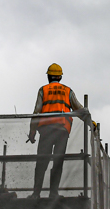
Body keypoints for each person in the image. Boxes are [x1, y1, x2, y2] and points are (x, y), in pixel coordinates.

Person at [27, 63, 84, 199]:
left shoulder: (43, 90)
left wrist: (32, 131)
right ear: (60, 77)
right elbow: (80, 110)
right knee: (58, 162)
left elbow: (36, 112)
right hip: (62, 131)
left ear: (48, 76)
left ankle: (36, 194)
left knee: (41, 162)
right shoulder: (67, 91)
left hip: (46, 130)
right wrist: (91, 123)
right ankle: (53, 194)